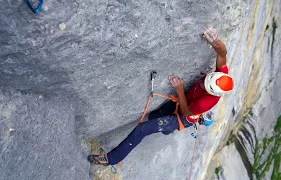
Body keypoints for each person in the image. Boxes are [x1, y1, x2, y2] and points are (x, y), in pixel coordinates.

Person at [87, 27, 234, 166]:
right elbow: (222, 53)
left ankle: (110, 159)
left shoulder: (205, 102)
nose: (202, 85)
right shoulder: (221, 76)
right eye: (207, 80)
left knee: (142, 129)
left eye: (205, 87)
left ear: (213, 92)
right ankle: (167, 129)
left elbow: (188, 111)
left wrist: (180, 90)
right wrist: (214, 40)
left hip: (184, 116)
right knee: (154, 117)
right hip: (183, 104)